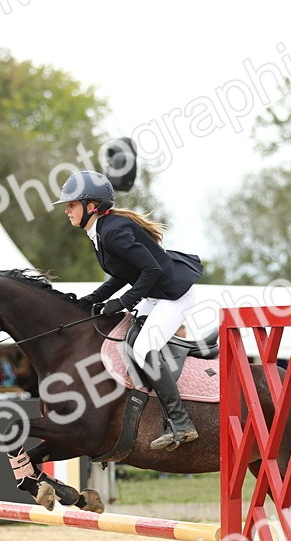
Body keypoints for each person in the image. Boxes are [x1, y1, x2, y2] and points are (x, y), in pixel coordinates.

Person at [56, 170, 204, 450]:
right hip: (155, 292)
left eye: (72, 204)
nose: (66, 210)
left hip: (174, 295)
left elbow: (152, 269)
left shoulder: (113, 232)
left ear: (91, 206)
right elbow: (124, 273)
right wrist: (92, 299)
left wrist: (123, 303)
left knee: (142, 348)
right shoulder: (100, 231)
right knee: (129, 341)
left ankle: (181, 422)